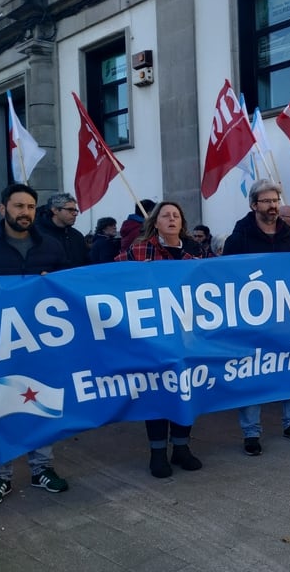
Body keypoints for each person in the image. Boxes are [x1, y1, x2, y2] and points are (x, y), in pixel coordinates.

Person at [0, 183, 70, 507]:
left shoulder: (51, 247)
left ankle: (42, 467)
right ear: (3, 209)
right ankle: (0, 475)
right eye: (18, 206)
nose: (24, 212)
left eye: (29, 207)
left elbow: (68, 291)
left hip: (41, 344)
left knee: (44, 403)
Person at [222, 179, 290, 455]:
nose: (273, 206)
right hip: (252, 318)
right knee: (252, 373)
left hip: (286, 315)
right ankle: (251, 432)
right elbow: (226, 275)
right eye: (267, 201)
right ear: (253, 205)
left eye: (276, 200)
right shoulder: (239, 237)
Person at [115, 202, 204, 478]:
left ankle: (181, 447)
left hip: (187, 333)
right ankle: (157, 453)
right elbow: (115, 277)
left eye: (176, 215)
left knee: (185, 389)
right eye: (166, 215)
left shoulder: (194, 249)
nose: (172, 219)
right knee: (157, 392)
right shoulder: (140, 249)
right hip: (153, 335)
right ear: (155, 222)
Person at [35, 192, 89, 267]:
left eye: (75, 210)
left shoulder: (77, 236)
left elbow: (86, 263)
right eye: (70, 210)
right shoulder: (36, 234)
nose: (74, 214)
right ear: (55, 210)